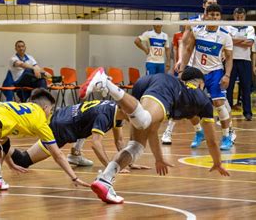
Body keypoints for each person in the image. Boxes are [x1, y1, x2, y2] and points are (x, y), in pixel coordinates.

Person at [79, 67, 230, 204]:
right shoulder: (201, 100)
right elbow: (212, 141)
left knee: (136, 146)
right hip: (163, 85)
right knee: (144, 121)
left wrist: (158, 158)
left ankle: (104, 180)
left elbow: (152, 130)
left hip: (146, 83)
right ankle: (107, 83)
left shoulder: (178, 97)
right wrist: (217, 162)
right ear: (199, 83)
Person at [0, 100, 150, 186]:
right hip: (61, 128)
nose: (138, 116)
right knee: (23, 160)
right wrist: (111, 167)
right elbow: (96, 144)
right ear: (125, 110)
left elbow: (119, 140)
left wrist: (127, 162)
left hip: (66, 118)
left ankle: (75, 154)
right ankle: (0, 145)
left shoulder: (115, 111)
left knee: (87, 127)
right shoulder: (105, 115)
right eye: (135, 112)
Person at [177, 3, 235, 150]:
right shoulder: (197, 30)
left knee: (219, 105)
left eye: (216, 15)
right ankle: (199, 133)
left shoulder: (225, 36)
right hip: (197, 72)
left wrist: (227, 75)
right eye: (211, 14)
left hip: (215, 72)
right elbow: (188, 49)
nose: (214, 17)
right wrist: (182, 69)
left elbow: (229, 58)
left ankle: (227, 137)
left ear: (219, 17)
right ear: (206, 15)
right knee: (188, 104)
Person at [163, 0, 217, 145]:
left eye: (214, 3)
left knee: (216, 103)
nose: (212, 5)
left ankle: (227, 133)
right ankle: (169, 132)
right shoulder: (193, 22)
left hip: (211, 69)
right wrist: (180, 60)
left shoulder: (220, 24)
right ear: (203, 5)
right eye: (209, 3)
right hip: (192, 68)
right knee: (180, 99)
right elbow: (183, 42)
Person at [225, 8, 255, 121]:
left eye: (241, 16)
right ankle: (226, 112)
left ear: (244, 16)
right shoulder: (228, 27)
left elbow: (250, 43)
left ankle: (247, 112)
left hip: (245, 61)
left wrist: (234, 40)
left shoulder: (250, 27)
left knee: (246, 87)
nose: (239, 18)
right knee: (228, 87)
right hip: (230, 60)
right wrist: (242, 40)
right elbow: (228, 41)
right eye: (237, 16)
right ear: (234, 15)